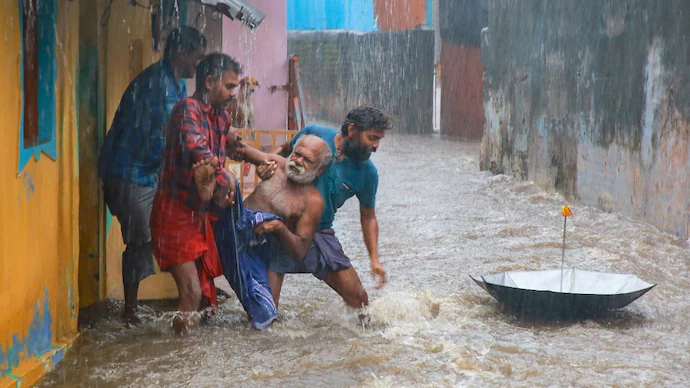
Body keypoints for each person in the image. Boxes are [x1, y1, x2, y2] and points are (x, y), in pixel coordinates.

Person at [97, 26, 207, 323]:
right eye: (196, 58)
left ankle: (191, 289)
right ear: (180, 53)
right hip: (128, 172)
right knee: (143, 237)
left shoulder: (176, 82)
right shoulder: (156, 85)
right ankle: (130, 310)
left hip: (150, 173)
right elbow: (167, 138)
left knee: (171, 227)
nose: (197, 65)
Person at [265, 105, 393, 309]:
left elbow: (368, 217)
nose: (376, 146)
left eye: (379, 139)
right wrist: (267, 168)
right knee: (265, 312)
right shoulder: (315, 134)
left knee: (359, 301)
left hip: (319, 231)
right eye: (372, 138)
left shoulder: (368, 173)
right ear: (352, 131)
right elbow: (284, 151)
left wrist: (375, 260)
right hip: (280, 225)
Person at [150, 52, 242, 334]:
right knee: (190, 291)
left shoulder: (223, 119)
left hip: (199, 215)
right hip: (174, 212)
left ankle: (191, 357)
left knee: (202, 297)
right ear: (210, 82)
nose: (232, 94)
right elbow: (198, 151)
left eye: (234, 87)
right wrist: (222, 180)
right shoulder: (187, 108)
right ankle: (181, 361)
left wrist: (221, 192)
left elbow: (216, 161)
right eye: (228, 86)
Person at [213, 135, 332, 329]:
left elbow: (300, 250)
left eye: (307, 160)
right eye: (297, 154)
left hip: (254, 251)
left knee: (265, 317)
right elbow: (240, 150)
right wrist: (228, 133)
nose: (298, 162)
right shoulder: (276, 164)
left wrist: (278, 228)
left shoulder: (313, 201)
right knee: (228, 180)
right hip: (229, 226)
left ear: (320, 169)